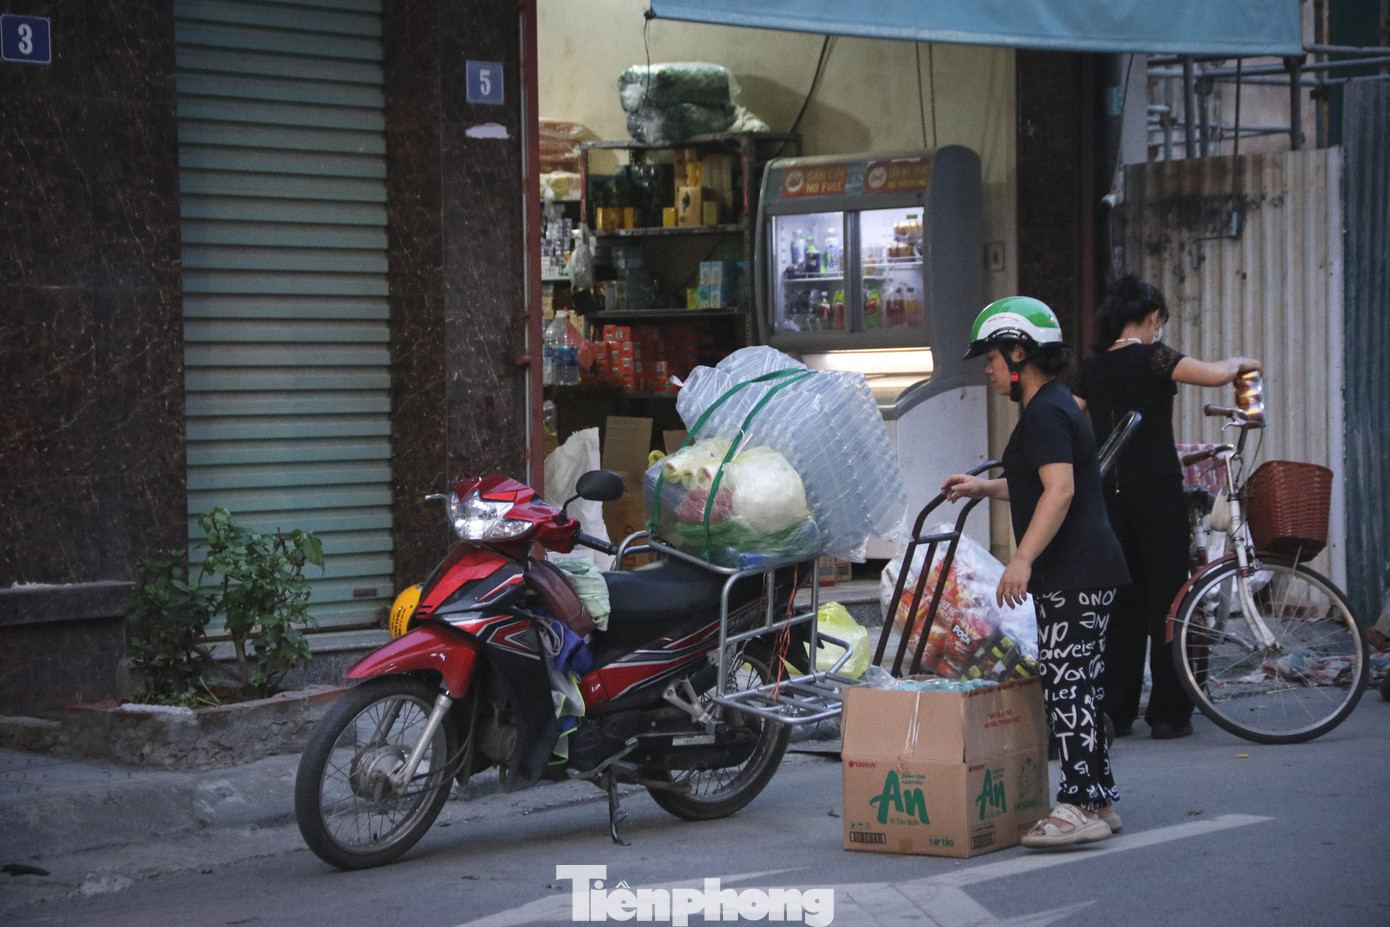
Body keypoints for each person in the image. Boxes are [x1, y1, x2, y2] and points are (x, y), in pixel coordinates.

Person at [943, 296, 1131, 849]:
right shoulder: (1053, 405)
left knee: (1068, 686)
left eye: (991, 357)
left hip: (1075, 570)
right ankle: (1097, 799)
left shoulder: (1046, 411)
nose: (988, 369)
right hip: (1087, 570)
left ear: (1018, 353)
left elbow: (1060, 490)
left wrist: (1021, 559)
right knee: (1080, 684)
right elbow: (1039, 481)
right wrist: (985, 486)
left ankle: (1078, 805)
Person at [1074, 276, 1262, 740]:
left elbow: (1072, 416)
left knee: (1122, 602)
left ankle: (1116, 711)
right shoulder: (1155, 357)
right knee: (1169, 600)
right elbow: (1215, 374)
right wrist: (1240, 363)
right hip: (1157, 492)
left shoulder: (1091, 368)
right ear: (1154, 317)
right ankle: (1168, 713)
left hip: (1109, 495)